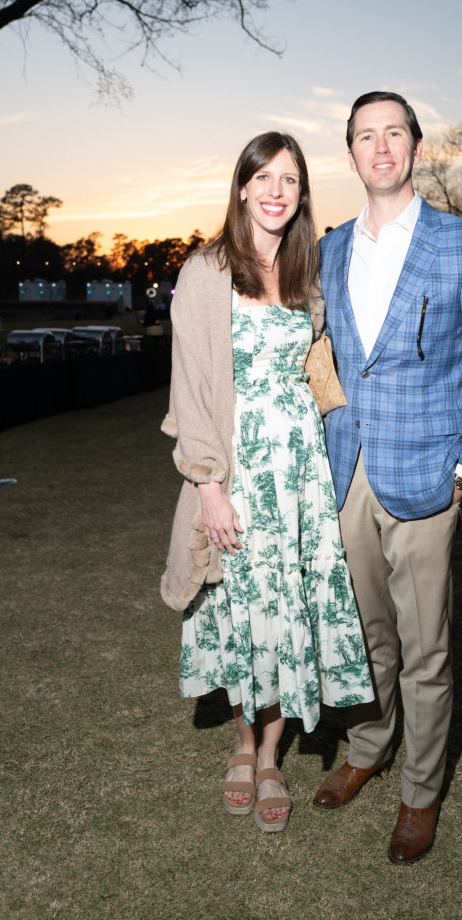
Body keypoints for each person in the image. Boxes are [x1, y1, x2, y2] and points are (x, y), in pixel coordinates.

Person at [313, 93, 462, 864]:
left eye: (393, 133)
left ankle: (421, 791)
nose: (380, 147)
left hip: (429, 478)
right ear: (350, 153)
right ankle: (367, 747)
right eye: (365, 136)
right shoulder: (330, 248)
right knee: (367, 637)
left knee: (425, 649)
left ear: (414, 145)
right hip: (347, 475)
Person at [161, 132, 373, 833]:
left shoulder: (309, 274)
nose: (277, 191)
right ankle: (243, 743)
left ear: (302, 192)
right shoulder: (205, 272)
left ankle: (275, 753)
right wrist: (211, 486)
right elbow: (190, 389)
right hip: (235, 470)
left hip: (299, 473)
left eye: (291, 179)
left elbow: (321, 370)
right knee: (240, 608)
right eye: (265, 178)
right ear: (243, 187)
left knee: (288, 611)